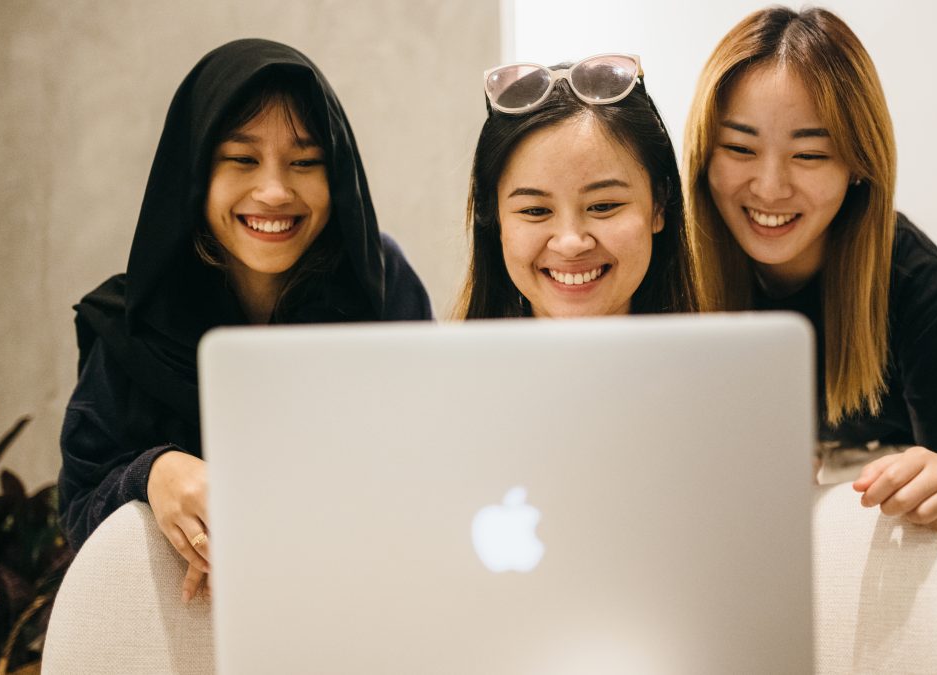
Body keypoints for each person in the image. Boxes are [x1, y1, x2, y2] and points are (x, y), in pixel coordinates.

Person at [58, 39, 433, 601]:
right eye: (241, 159)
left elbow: (431, 466)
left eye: (306, 162)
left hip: (359, 606)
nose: (275, 191)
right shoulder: (131, 320)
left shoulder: (380, 286)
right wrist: (152, 473)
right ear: (195, 171)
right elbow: (80, 516)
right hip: (186, 632)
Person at [684, 7, 937, 541]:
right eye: (740, 148)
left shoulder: (913, 281)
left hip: (872, 547)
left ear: (859, 163)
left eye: (810, 154)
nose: (769, 187)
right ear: (703, 150)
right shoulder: (674, 260)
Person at [455, 54, 697, 318]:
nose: (571, 243)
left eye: (603, 206)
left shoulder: (726, 360)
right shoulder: (449, 361)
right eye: (536, 211)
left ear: (658, 206)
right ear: (495, 218)